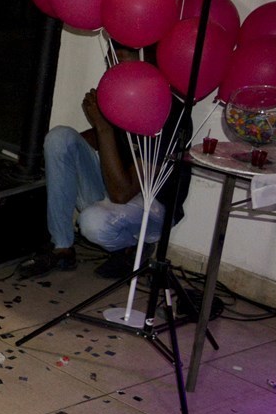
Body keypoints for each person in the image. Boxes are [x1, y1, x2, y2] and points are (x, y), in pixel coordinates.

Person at [19, 80, 188, 279]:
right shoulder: (125, 93)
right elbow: (105, 140)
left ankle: (134, 247)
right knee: (59, 138)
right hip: (116, 186)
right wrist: (64, 155)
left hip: (152, 207)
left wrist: (103, 126)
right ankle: (62, 248)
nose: (115, 68)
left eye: (123, 62)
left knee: (91, 222)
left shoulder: (171, 113)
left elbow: (122, 194)